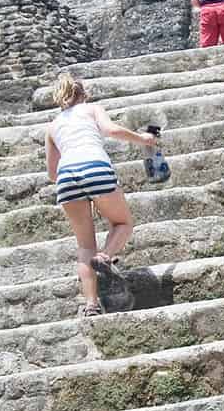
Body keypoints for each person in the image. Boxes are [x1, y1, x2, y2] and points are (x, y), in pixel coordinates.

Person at [45, 73, 157, 319]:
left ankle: (91, 306)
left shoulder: (52, 127)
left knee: (85, 246)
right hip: (95, 166)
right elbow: (112, 130)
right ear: (84, 95)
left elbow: (52, 173)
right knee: (123, 223)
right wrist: (143, 139)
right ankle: (105, 258)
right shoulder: (92, 109)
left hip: (66, 177)